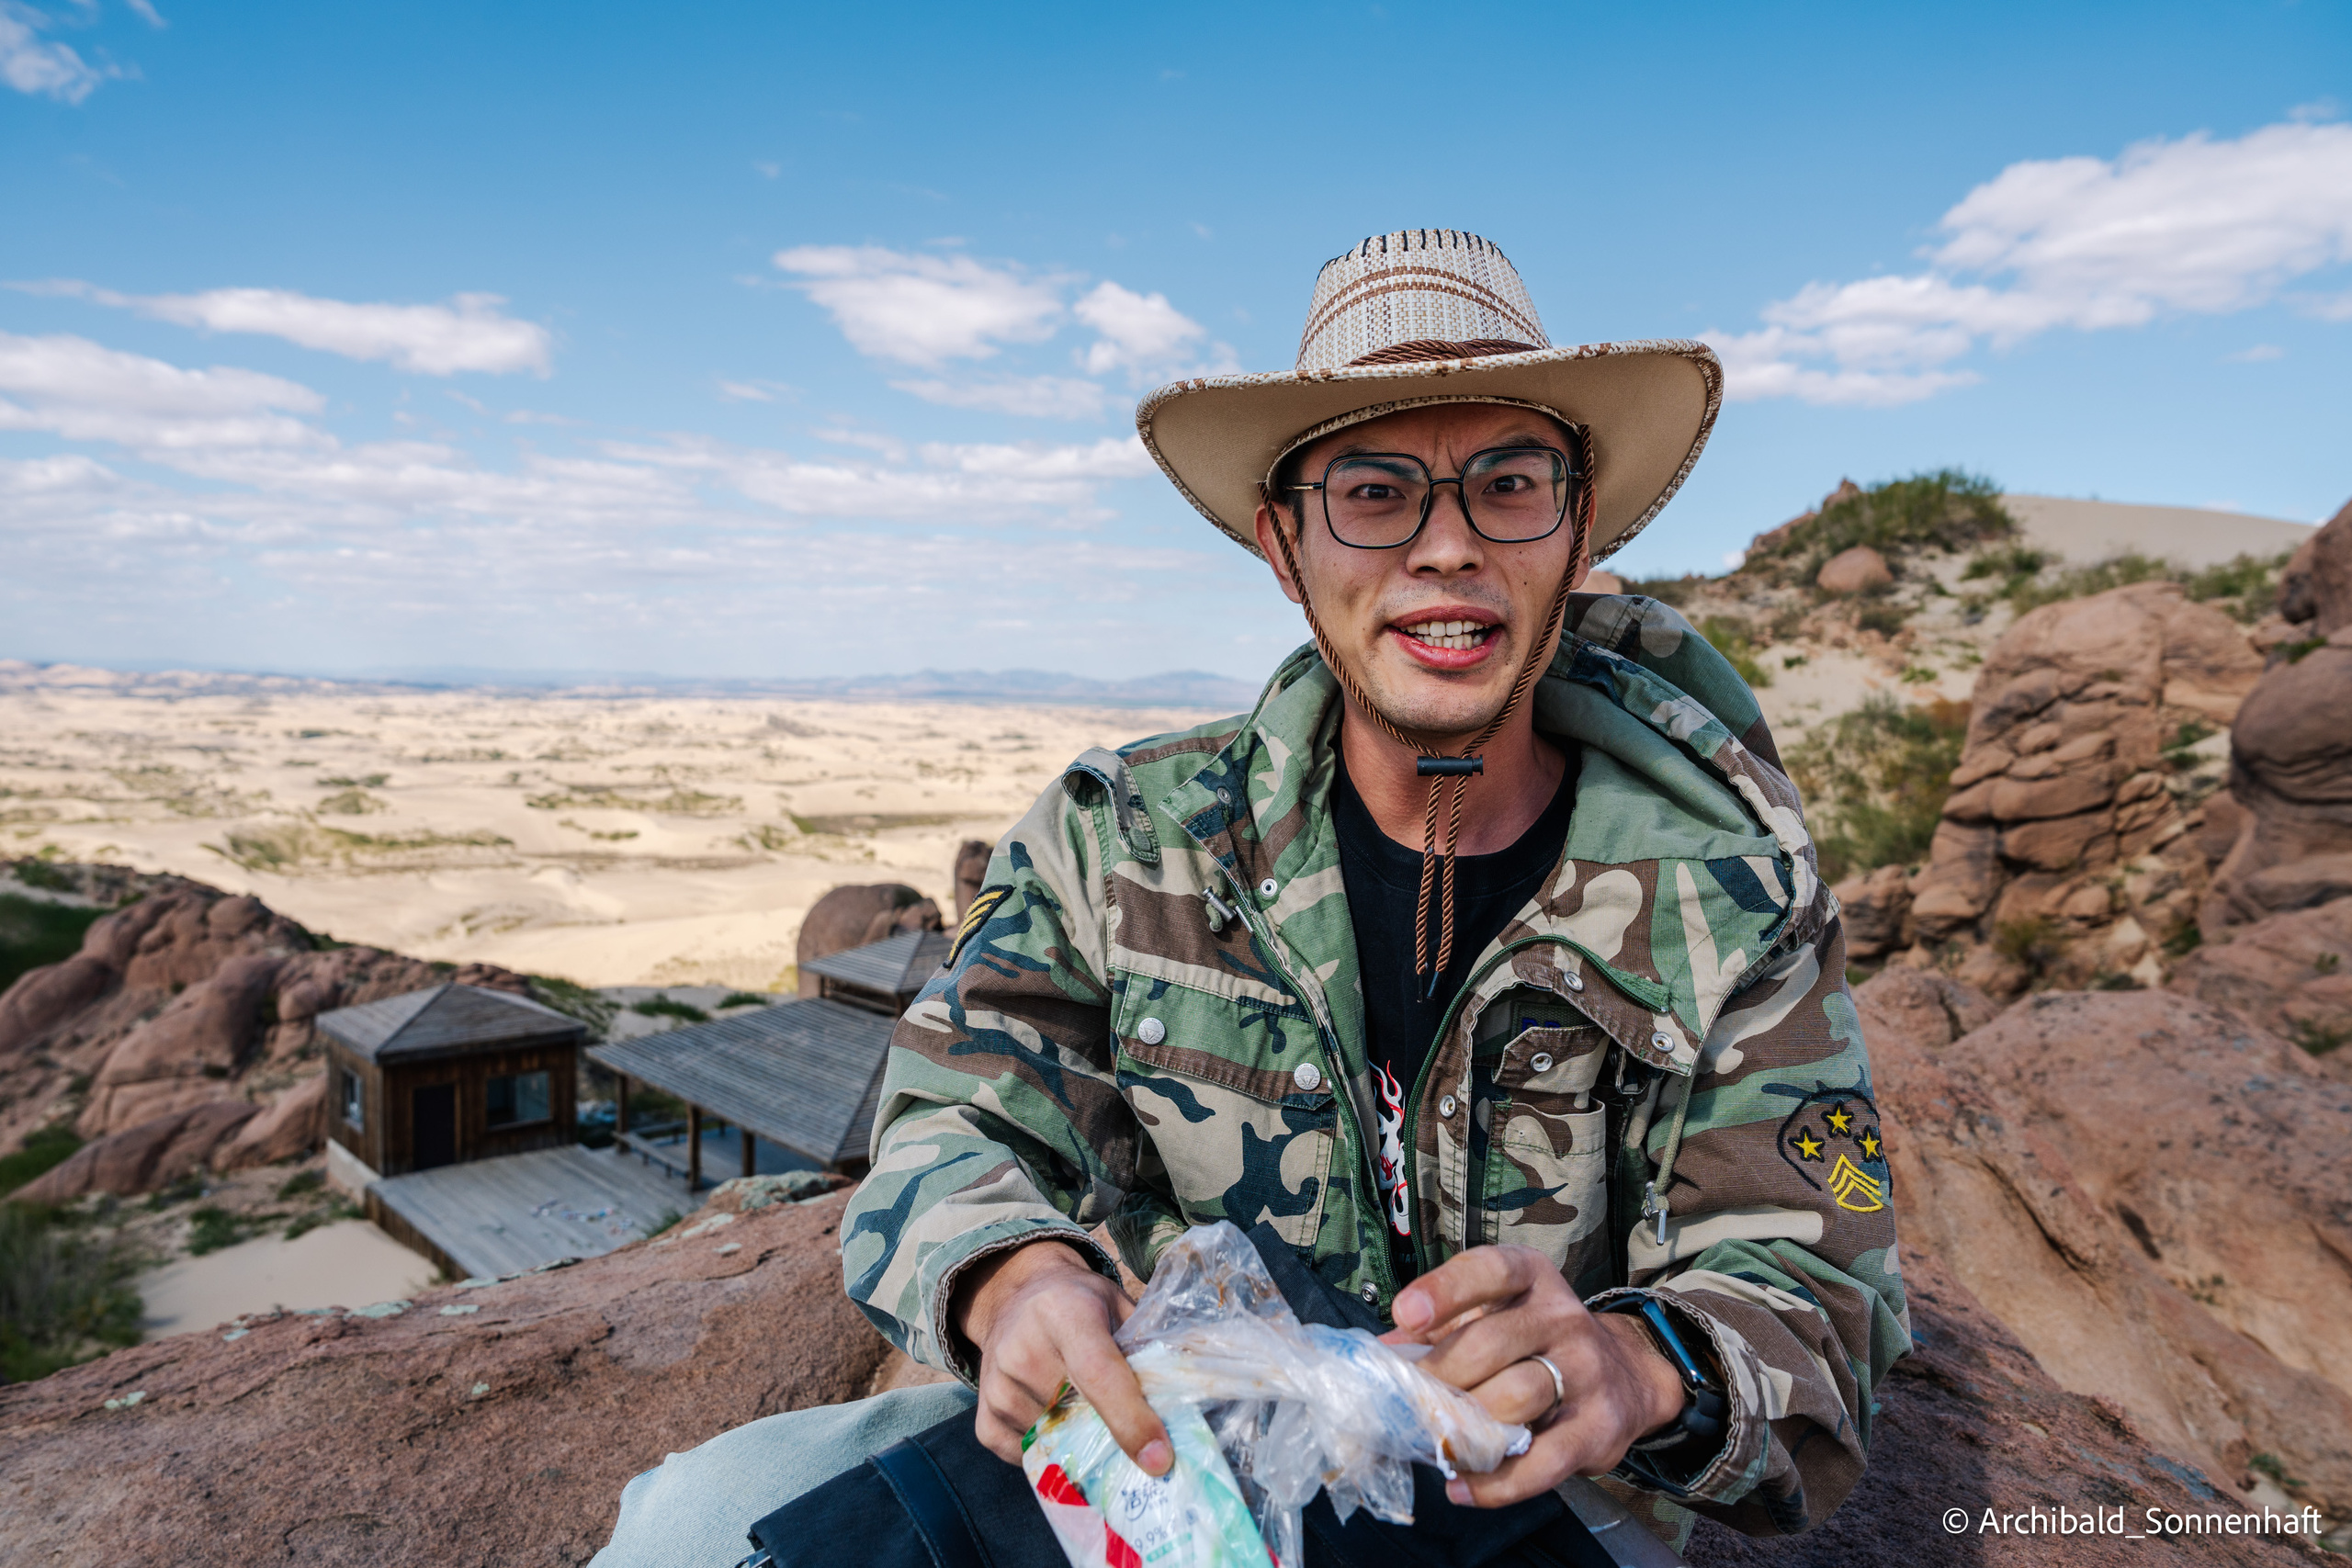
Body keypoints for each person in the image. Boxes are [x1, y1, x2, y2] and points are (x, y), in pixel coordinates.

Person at [594, 229, 1908, 1567]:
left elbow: (1812, 1300)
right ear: (1285, 548)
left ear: (1574, 537)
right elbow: (951, 1113)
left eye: (1510, 485)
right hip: (1182, 1434)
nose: (1448, 547)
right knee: (685, 1533)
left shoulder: (1729, 888)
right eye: (1376, 492)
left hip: (1537, 1491)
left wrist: (1635, 1364)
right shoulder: (1128, 841)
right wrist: (1015, 1273)